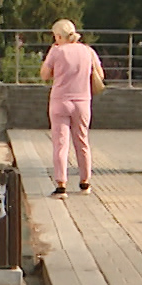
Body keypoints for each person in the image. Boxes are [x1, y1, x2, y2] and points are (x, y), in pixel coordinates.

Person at [40, 19, 104, 196]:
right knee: (82, 142)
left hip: (60, 102)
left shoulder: (56, 51)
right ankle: (85, 183)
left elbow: (44, 75)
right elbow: (100, 74)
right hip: (82, 102)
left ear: (59, 36)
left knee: (60, 144)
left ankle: (61, 185)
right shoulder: (88, 51)